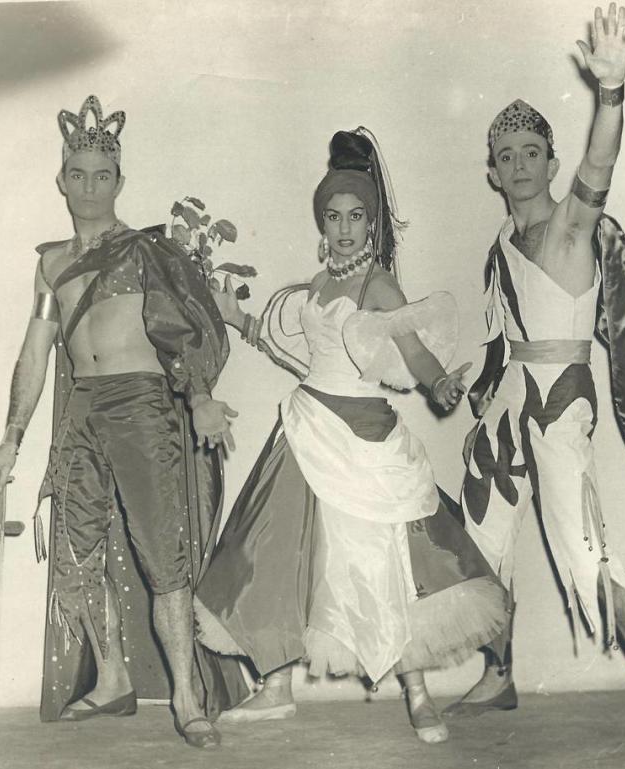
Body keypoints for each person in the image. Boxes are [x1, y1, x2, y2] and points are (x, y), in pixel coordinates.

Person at [441, 5, 625, 757]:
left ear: (550, 163)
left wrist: (612, 92)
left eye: (533, 151)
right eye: (507, 153)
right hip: (506, 409)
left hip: (560, 407)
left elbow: (602, 166)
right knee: (478, 543)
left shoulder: (570, 226)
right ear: (492, 170)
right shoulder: (501, 238)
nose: (521, 163)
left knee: (589, 557)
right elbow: (506, 332)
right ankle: (498, 675)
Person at [194, 128, 508, 745]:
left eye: (356, 216)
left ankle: (417, 693)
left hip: (364, 434)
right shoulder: (317, 285)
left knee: (389, 561)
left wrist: (440, 385)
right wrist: (237, 319)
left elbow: (411, 349)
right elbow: (299, 354)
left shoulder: (377, 284)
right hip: (308, 426)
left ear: (371, 223)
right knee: (279, 551)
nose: (344, 228)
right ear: (323, 222)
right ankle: (277, 686)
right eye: (334, 216)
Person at [0, 95, 245, 749]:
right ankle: (114, 675)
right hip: (83, 412)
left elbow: (181, 332)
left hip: (142, 406)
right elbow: (36, 351)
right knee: (77, 550)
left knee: (164, 557)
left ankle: (186, 697)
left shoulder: (146, 251)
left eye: (103, 175)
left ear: (118, 182)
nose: (90, 186)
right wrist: (11, 437)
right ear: (62, 179)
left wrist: (203, 396)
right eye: (79, 173)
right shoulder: (49, 265)